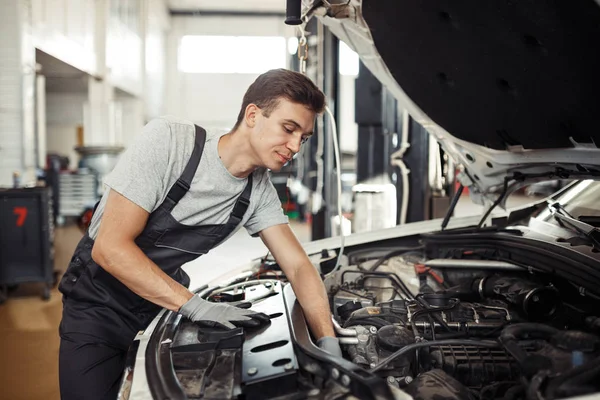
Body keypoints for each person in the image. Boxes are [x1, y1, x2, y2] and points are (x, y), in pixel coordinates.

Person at [57, 69, 342, 399]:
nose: (295, 146)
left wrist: (328, 341)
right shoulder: (170, 143)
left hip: (158, 308)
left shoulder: (258, 192)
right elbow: (109, 249)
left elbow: (298, 267)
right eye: (289, 129)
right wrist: (196, 307)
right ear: (252, 115)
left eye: (303, 138)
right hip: (99, 305)